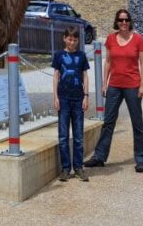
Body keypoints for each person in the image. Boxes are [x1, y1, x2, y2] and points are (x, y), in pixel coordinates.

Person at [84, 8, 143, 172]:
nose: (124, 23)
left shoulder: (138, 39)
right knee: (108, 122)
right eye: (121, 20)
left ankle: (141, 159)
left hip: (132, 85)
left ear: (130, 21)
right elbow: (108, 63)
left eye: (126, 20)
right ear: (117, 22)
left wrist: (142, 85)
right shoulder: (111, 39)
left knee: (137, 123)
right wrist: (104, 83)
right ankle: (99, 156)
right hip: (114, 86)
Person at [52, 25, 90, 182]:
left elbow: (85, 76)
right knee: (63, 135)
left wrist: (86, 96)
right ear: (64, 38)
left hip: (78, 98)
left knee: (79, 136)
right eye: (69, 39)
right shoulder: (59, 55)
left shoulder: (81, 56)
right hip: (64, 98)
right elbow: (55, 76)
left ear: (78, 40)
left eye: (75, 39)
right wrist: (55, 97)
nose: (72, 42)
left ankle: (79, 167)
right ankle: (66, 168)